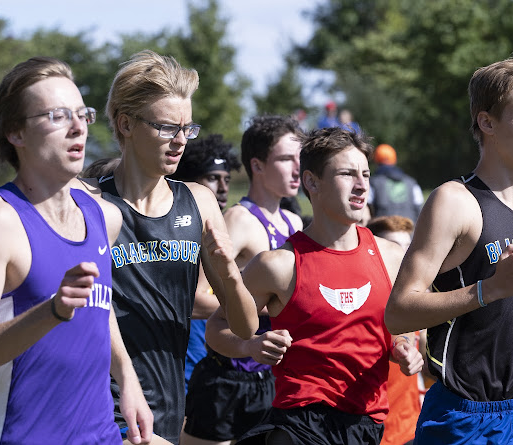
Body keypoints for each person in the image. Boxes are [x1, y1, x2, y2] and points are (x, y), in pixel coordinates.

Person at [0, 56, 153, 445]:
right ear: (16, 133)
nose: (78, 127)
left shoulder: (105, 217)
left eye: (82, 114)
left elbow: (98, 307)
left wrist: (127, 378)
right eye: (57, 116)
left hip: (100, 435)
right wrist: (52, 311)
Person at [207, 127, 423, 445]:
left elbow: (396, 328)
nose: (362, 185)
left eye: (365, 173)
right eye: (347, 174)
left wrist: (402, 347)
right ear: (312, 182)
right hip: (301, 422)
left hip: (367, 422)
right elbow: (217, 327)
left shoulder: (390, 256)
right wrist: (248, 347)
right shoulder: (279, 264)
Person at [97, 49, 258, 444]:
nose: (181, 141)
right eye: (168, 128)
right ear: (126, 124)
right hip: (106, 396)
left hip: (172, 398)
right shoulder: (92, 205)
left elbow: (245, 326)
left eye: (188, 128)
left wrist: (229, 274)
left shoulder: (199, 201)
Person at [385, 49, 513, 444]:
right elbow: (399, 313)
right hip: (467, 415)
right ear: (486, 122)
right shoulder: (455, 202)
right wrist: (488, 289)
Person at [181, 115, 304, 445]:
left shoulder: (294, 220)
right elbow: (195, 298)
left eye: (300, 159)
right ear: (258, 165)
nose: (297, 168)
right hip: (228, 377)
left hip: (274, 378)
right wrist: (265, 311)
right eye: (285, 159)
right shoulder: (238, 220)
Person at [166, 133, 241, 394]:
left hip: (212, 350)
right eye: (212, 178)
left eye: (227, 179)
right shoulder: (182, 229)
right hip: (184, 349)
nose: (222, 188)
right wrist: (256, 306)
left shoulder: (222, 226)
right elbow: (195, 300)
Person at [366, 216, 421, 445]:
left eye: (408, 247)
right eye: (394, 247)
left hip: (410, 428)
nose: (403, 255)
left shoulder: (415, 300)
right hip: (371, 430)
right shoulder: (364, 302)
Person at [368, 144, 423, 223]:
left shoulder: (373, 182)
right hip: (409, 232)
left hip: (381, 232)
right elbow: (419, 207)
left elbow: (367, 207)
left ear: (376, 161)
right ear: (395, 160)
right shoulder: (411, 182)